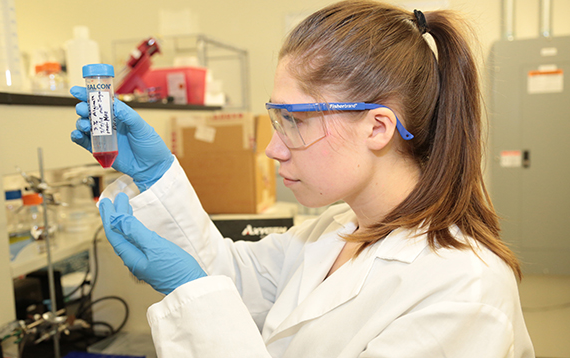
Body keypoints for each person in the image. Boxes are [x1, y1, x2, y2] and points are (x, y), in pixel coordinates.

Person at [71, 1, 535, 357]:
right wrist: (156, 178)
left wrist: (192, 295)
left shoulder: (464, 291)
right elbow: (232, 279)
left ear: (377, 127)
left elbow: (209, 293)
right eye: (278, 119)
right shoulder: (335, 229)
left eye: (295, 120)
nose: (273, 148)